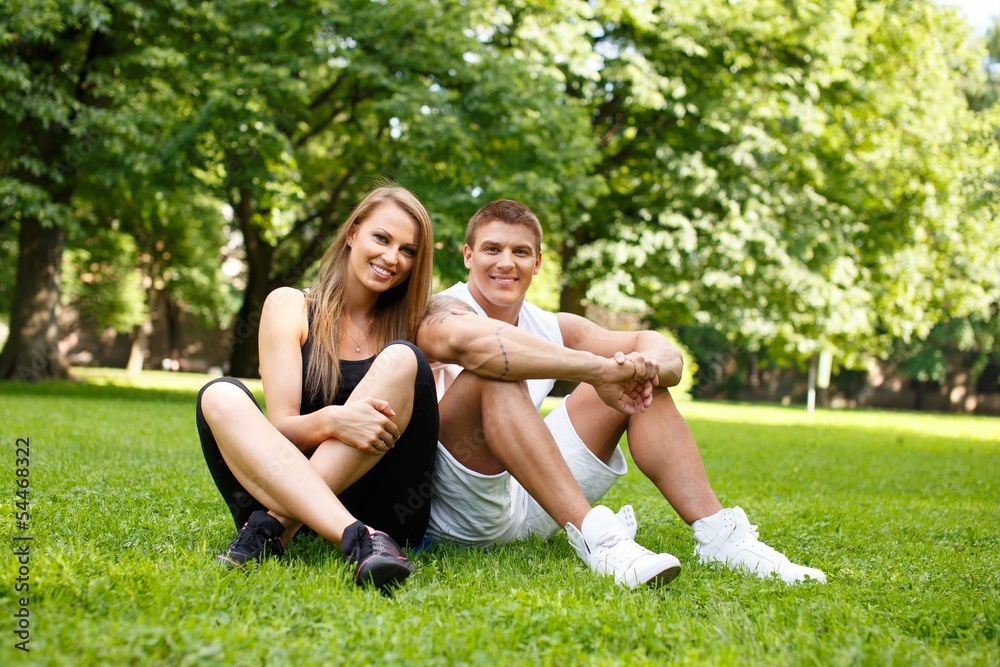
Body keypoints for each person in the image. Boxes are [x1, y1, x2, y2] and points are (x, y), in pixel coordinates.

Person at [416, 199, 826, 588]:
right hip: (462, 509)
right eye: (492, 249)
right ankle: (602, 542)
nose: (506, 262)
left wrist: (637, 368)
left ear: (538, 263)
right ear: (468, 255)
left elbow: (661, 351)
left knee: (641, 380)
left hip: (533, 502)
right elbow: (479, 347)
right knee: (494, 372)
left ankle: (721, 537)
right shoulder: (439, 310)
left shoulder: (552, 324)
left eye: (521, 252)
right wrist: (598, 370)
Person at [196, 184, 439, 592]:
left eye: (408, 250)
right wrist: (335, 421)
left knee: (402, 358)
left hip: (383, 507)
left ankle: (272, 529)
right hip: (286, 489)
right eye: (381, 238)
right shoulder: (289, 306)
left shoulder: (419, 321)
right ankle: (357, 538)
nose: (391, 258)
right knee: (219, 394)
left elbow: (480, 339)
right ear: (352, 234)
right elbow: (282, 426)